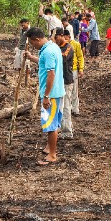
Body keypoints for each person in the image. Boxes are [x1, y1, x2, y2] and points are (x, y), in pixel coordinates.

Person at [24, 27, 65, 165]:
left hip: (51, 94)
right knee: (53, 122)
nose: (33, 46)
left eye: (32, 43)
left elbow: (51, 74)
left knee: (50, 125)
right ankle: (49, 148)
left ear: (37, 39)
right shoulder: (52, 47)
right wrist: (31, 57)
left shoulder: (48, 52)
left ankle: (52, 155)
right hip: (57, 91)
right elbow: (43, 62)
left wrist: (46, 95)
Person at [55, 28, 76, 139]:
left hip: (67, 80)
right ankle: (64, 126)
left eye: (56, 37)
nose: (55, 39)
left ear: (62, 35)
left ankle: (67, 131)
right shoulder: (58, 47)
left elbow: (62, 58)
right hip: (59, 80)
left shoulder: (68, 47)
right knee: (60, 106)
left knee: (66, 106)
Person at [66, 29, 85, 116]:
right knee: (67, 89)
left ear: (69, 37)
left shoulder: (76, 44)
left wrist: (80, 69)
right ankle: (68, 107)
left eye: (66, 38)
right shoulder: (61, 45)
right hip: (66, 70)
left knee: (74, 89)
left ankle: (75, 108)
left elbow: (80, 57)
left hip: (74, 69)